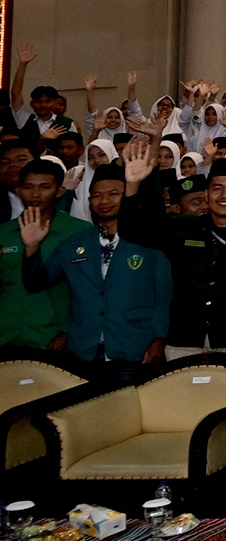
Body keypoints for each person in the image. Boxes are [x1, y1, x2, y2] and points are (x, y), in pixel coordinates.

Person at [19, 166, 171, 380]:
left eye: (113, 193)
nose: (104, 200)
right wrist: (32, 247)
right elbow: (36, 283)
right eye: (96, 195)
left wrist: (160, 338)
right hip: (83, 350)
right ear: (89, 201)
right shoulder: (74, 243)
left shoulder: (148, 242)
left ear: (127, 196)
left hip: (134, 348)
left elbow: (164, 296)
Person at [161, 155, 226, 356]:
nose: (225, 195)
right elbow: (134, 228)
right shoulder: (183, 227)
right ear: (207, 194)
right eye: (217, 188)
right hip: (185, 339)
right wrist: (136, 184)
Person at [0, 157, 89, 348]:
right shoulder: (3, 234)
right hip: (7, 336)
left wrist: (69, 331)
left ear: (59, 191)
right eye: (28, 187)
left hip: (55, 338)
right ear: (17, 190)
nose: (35, 194)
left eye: (45, 187)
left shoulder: (80, 233)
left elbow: (89, 291)